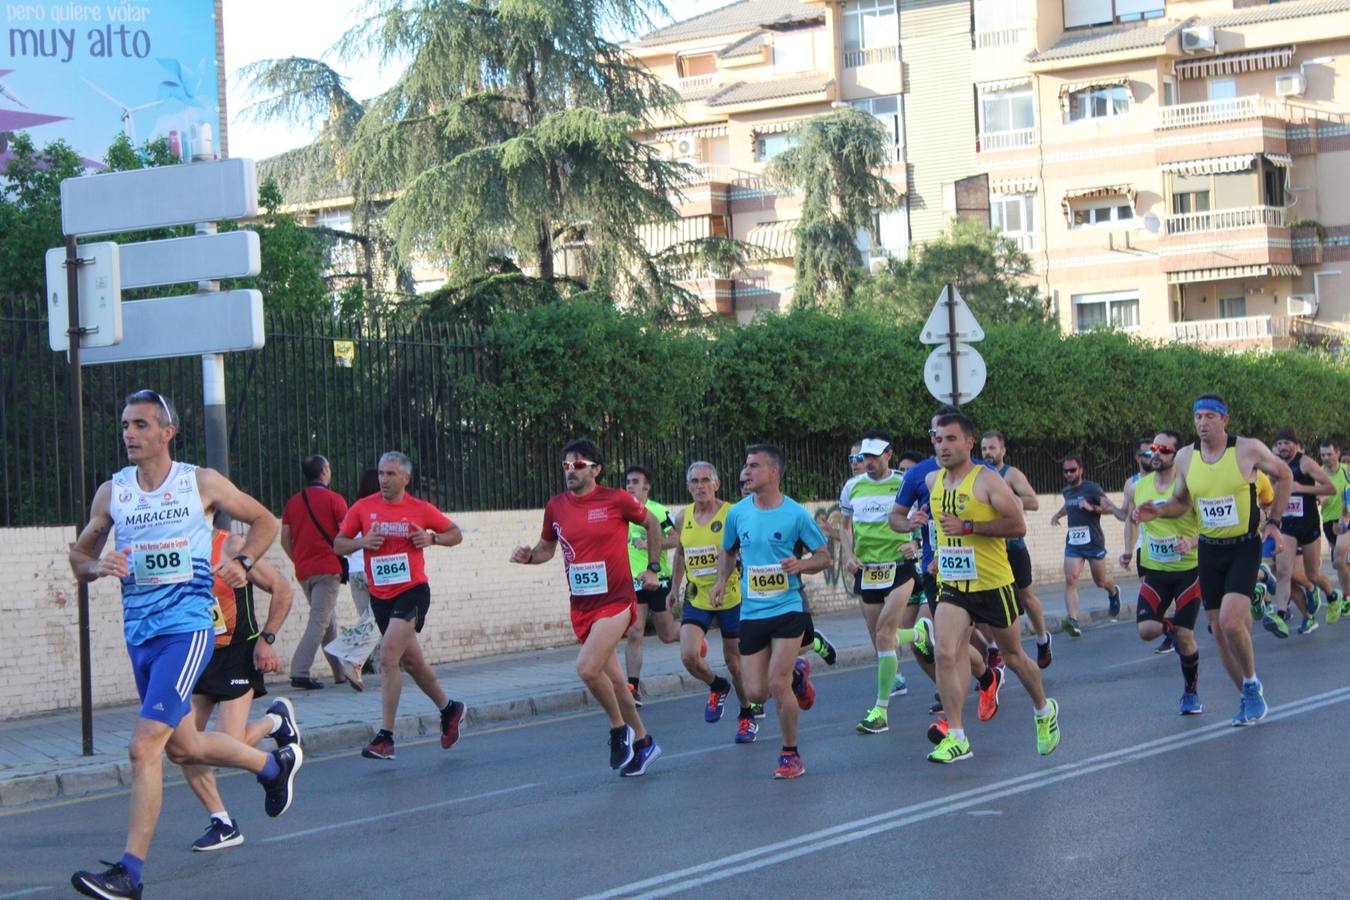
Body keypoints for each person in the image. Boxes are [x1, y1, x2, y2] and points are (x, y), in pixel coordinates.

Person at [69, 390, 301, 899]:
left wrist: (241, 564)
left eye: (141, 425)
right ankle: (271, 764)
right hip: (141, 635)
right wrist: (97, 565)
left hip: (187, 629)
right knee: (182, 746)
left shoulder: (200, 483)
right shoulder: (113, 492)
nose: (129, 433)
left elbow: (267, 521)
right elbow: (80, 557)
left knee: (143, 745)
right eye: (126, 424)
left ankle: (130, 872)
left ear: (167, 433)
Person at [1135, 394, 1292, 726]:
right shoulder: (1186, 458)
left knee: (1231, 623)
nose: (1202, 423)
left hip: (1244, 547)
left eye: (1209, 416)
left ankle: (1252, 684)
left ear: (1225, 419)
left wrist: (1275, 522)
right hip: (1208, 550)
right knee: (1219, 632)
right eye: (1197, 417)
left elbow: (1284, 476)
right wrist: (1159, 509)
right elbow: (1182, 501)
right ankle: (1246, 698)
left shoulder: (1246, 449)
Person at [510, 438, 664, 775]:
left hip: (617, 601)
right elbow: (546, 550)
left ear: (596, 468)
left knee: (586, 668)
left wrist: (653, 568)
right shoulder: (556, 506)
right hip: (583, 606)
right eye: (566, 465)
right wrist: (528, 557)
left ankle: (617, 728)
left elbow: (652, 524)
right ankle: (644, 740)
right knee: (615, 681)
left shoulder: (616, 500)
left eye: (578, 464)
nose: (570, 471)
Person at [919, 412, 1060, 763]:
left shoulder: (988, 481)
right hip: (953, 583)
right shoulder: (935, 482)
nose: (943, 445)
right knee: (946, 651)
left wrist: (970, 525)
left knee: (1013, 657)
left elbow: (1017, 525)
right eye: (938, 439)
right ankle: (957, 737)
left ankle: (1044, 710)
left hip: (992, 583)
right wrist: (939, 556)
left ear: (969, 443)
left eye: (951, 439)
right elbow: (943, 531)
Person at [334, 452, 466, 761]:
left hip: (413, 592)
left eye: (391, 474)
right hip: (381, 596)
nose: (384, 480)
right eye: (381, 473)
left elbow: (455, 534)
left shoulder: (419, 508)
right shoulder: (363, 508)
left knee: (388, 657)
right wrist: (361, 543)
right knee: (414, 664)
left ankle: (386, 738)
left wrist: (431, 539)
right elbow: (338, 544)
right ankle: (450, 709)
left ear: (406, 478)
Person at [710, 444, 832, 778]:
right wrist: (721, 583)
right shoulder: (737, 513)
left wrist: (802, 564)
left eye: (754, 466)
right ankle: (797, 674)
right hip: (752, 611)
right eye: (746, 466)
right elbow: (729, 551)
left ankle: (790, 754)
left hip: (787, 607)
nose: (746, 472)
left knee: (777, 684)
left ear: (773, 472)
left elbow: (824, 556)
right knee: (755, 692)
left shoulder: (795, 514)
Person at [185, 529, 298, 851]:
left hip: (236, 655)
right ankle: (222, 823)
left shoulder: (230, 545)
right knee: (184, 745)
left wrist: (268, 638)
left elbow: (282, 590)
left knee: (228, 744)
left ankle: (274, 722)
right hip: (197, 654)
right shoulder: (173, 545)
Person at [838, 430, 925, 735]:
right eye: (865, 456)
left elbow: (925, 520)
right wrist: (848, 554)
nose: (869, 462)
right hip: (868, 570)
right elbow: (845, 525)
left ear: (889, 454)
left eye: (875, 456)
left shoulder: (905, 482)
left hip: (900, 568)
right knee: (879, 638)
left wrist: (915, 545)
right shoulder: (852, 487)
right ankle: (918, 634)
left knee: (885, 632)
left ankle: (880, 710)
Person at [666, 461, 755, 742]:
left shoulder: (732, 514)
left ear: (716, 483)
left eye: (706, 480)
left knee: (735, 661)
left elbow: (749, 549)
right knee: (689, 656)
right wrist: (673, 588)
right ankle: (717, 686)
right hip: (697, 595)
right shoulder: (683, 517)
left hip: (731, 595)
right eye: (694, 481)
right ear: (688, 486)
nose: (700, 486)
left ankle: (746, 715)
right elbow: (680, 554)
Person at [1119, 431, 1204, 715]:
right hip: (1155, 570)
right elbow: (1131, 519)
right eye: (1153, 448)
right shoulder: (1137, 487)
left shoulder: (1188, 488)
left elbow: (1209, 527)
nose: (1155, 454)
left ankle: (1190, 693)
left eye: (1164, 450)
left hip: (1187, 572)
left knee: (1186, 639)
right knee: (1146, 630)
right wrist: (1130, 544)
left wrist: (1191, 541)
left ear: (1176, 455)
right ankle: (1174, 629)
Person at [980, 431, 1052, 669]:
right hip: (989, 551)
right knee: (989, 604)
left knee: (1026, 597)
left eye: (992, 448)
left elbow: (1033, 500)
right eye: (984, 449)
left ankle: (1042, 638)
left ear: (1003, 451)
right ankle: (997, 651)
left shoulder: (1010, 474)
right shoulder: (977, 475)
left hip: (1013, 548)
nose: (987, 453)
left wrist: (1010, 499)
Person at [280, 454, 350, 690]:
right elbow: (346, 533)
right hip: (328, 569)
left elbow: (285, 539)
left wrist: (298, 559)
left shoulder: (292, 503)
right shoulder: (335, 500)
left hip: (304, 571)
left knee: (327, 621)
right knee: (320, 620)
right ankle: (299, 671)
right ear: (324, 471)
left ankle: (340, 673)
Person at [622, 464, 680, 707]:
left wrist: (648, 544)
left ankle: (691, 634)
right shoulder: (621, 511)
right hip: (632, 581)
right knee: (634, 632)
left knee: (666, 635)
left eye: (635, 482)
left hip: (658, 579)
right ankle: (633, 687)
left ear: (646, 486)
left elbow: (676, 539)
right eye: (628, 482)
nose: (630, 486)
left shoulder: (657, 510)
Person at [1050, 454, 1122, 635]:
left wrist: (1093, 508)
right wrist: (1058, 515)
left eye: (1072, 470)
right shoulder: (1066, 491)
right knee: (1070, 579)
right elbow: (1068, 505)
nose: (1069, 474)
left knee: (1100, 580)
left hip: (1094, 541)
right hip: (1074, 542)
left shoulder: (1092, 488)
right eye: (1065, 471)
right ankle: (1073, 620)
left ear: (1081, 470)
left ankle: (1113, 592)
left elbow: (1110, 507)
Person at [1271, 428, 1334, 635]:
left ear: (1295, 444)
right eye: (1279, 444)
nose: (1282, 447)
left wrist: (1301, 488)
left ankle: (1332, 596)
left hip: (1309, 525)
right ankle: (1280, 616)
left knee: (1312, 574)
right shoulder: (1276, 466)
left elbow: (1330, 488)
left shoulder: (1305, 462)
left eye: (1286, 443)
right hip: (1287, 526)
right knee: (1283, 571)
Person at [341, 467, 381, 688]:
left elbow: (344, 543)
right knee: (378, 619)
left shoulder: (354, 509)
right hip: (374, 570)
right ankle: (350, 657)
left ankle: (366, 663)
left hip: (355, 571)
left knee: (369, 619)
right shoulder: (378, 509)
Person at [1318, 438, 1350, 621]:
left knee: (1338, 560)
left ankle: (1346, 597)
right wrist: (1318, 500)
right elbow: (1321, 495)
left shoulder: (1346, 472)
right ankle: (1347, 595)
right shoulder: (1319, 473)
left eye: (1329, 454)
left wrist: (1345, 517)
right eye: (1322, 455)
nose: (1326, 458)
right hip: (1330, 521)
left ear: (1337, 453)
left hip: (1346, 520)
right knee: (1342, 563)